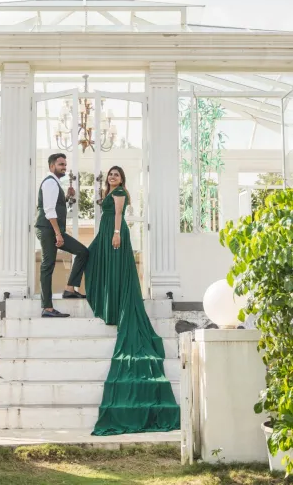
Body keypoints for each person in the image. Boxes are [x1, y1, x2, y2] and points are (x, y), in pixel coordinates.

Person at [85, 166, 180, 435]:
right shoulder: (109, 191)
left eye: (116, 174)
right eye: (110, 175)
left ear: (122, 179)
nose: (112, 178)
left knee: (113, 269)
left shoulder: (119, 192)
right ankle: (109, 301)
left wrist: (116, 233)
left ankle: (116, 305)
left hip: (114, 234)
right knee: (94, 259)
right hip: (106, 233)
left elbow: (117, 214)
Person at [35, 153, 89, 318]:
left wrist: (66, 197)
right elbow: (49, 210)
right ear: (52, 166)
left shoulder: (55, 183)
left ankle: (69, 289)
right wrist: (58, 234)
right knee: (47, 265)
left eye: (65, 164)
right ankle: (47, 308)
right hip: (48, 230)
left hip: (52, 230)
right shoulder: (50, 182)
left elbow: (54, 205)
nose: (64, 167)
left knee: (82, 252)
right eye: (61, 164)